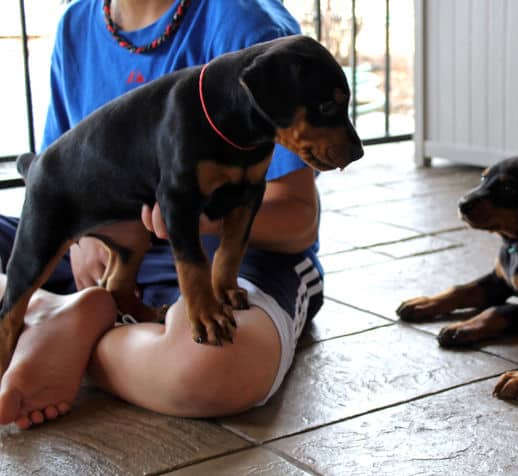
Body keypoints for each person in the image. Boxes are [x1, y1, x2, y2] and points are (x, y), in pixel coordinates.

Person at [0, 0, 324, 429]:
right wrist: (82, 238)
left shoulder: (248, 27)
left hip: (229, 260)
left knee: (214, 367)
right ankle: (54, 313)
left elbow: (299, 219)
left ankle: (60, 329)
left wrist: (200, 218)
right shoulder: (76, 23)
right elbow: (56, 175)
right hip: (97, 245)